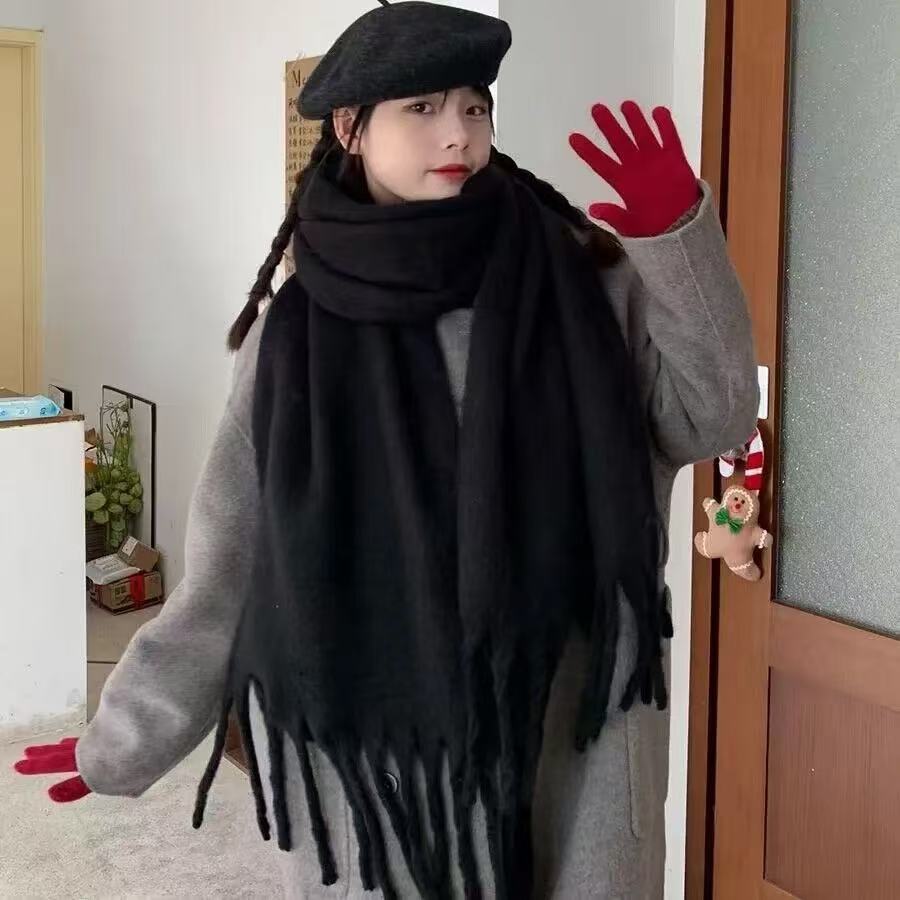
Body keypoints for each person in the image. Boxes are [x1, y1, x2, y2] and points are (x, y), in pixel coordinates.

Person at [15, 3, 758, 897]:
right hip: (376, 774)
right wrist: (123, 738)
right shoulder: (294, 335)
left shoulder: (585, 282)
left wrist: (679, 240)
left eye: (475, 107)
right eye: (423, 108)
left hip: (572, 740)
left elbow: (714, 419)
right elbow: (228, 565)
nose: (459, 133)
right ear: (350, 127)